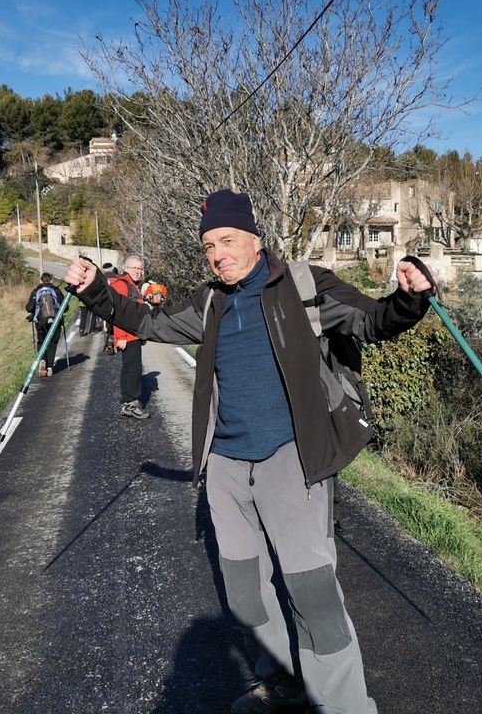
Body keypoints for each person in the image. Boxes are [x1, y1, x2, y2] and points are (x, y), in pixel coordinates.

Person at [63, 189, 434, 714]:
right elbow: (146, 322)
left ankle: (345, 706)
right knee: (244, 594)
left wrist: (411, 297)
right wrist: (95, 289)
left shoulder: (304, 286)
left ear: (256, 240)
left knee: (314, 595)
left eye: (228, 240)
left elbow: (373, 321)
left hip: (294, 458)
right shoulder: (209, 301)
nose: (218, 253)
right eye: (209, 244)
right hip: (227, 467)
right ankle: (285, 681)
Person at [109, 256, 150, 420]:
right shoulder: (122, 285)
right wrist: (121, 336)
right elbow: (118, 313)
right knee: (133, 369)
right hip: (128, 336)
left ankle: (127, 402)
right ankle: (131, 402)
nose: (138, 272)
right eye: (134, 268)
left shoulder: (133, 285)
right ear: (125, 268)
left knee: (129, 368)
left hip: (134, 335)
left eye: (139, 269)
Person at [25, 272, 64, 378]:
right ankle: (50, 367)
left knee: (42, 342)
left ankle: (43, 360)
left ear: (41, 281)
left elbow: (29, 308)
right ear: (51, 280)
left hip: (40, 323)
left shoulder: (36, 292)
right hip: (55, 321)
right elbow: (65, 306)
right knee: (52, 344)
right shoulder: (56, 290)